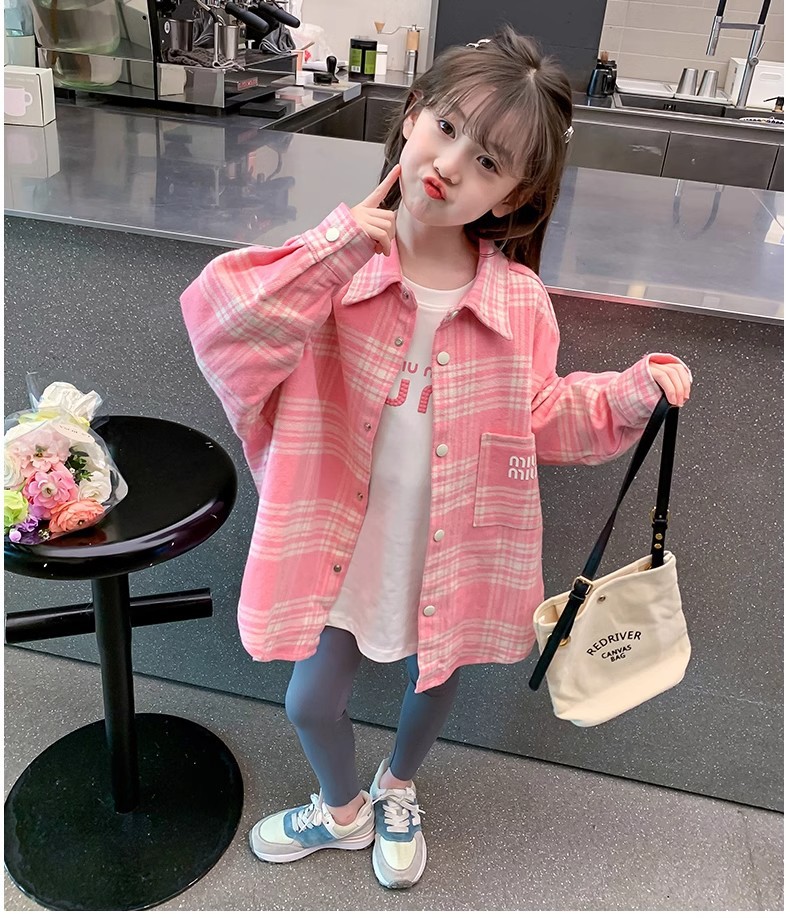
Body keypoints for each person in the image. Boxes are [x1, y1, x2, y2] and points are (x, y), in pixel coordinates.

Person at [180, 25, 692, 890]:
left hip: (452, 541)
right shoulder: (332, 266)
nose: (451, 166)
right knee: (310, 698)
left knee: (436, 671)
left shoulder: (518, 300)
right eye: (447, 127)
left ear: (513, 193)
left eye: (488, 162)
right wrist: (340, 245)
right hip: (342, 536)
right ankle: (342, 809)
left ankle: (397, 788)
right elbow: (223, 331)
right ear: (413, 112)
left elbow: (540, 415)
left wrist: (634, 392)